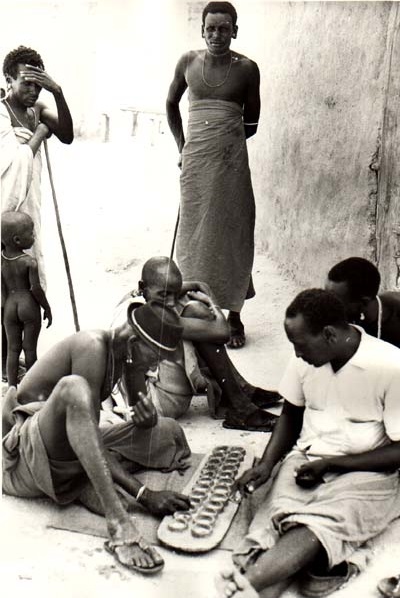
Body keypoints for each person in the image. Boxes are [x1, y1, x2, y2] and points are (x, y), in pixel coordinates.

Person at [215, 289, 400, 598]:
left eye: (300, 346)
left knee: (323, 523)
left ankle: (249, 583)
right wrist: (266, 465)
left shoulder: (390, 365)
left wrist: (334, 464)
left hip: (369, 474)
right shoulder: (305, 359)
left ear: (328, 335)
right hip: (306, 463)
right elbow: (290, 414)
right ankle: (255, 584)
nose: (297, 354)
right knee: (276, 519)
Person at [2, 301, 192, 574]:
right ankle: (118, 522)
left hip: (68, 444)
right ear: (135, 341)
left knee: (167, 431)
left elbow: (142, 421)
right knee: (74, 389)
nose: (157, 364)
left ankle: (88, 479)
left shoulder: (128, 355)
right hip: (25, 455)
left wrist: (147, 418)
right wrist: (143, 492)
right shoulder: (92, 347)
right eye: (156, 355)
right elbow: (86, 428)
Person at [166, 1, 260, 349]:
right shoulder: (188, 62)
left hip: (230, 162)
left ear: (234, 30)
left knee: (233, 231)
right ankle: (194, 307)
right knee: (195, 233)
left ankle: (234, 314)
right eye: (211, 28)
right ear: (202, 30)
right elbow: (170, 104)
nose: (216, 35)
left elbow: (251, 122)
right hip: (195, 161)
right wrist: (184, 146)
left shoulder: (248, 69)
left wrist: (224, 145)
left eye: (224, 28)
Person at [113, 256, 280, 432]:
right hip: (154, 402)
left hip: (147, 390)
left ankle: (237, 391)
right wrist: (212, 303)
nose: (170, 301)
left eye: (173, 293)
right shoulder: (149, 316)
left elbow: (195, 285)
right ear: (142, 287)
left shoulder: (137, 295)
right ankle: (239, 405)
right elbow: (223, 333)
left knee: (188, 309)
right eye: (164, 295)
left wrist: (198, 287)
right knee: (197, 312)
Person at [1, 45, 73, 380]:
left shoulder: (37, 109)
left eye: (38, 85)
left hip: (28, 212)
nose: (32, 91)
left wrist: (57, 92)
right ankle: (7, 362)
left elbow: (69, 136)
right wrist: (41, 134)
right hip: (4, 212)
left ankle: (19, 361)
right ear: (8, 80)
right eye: (25, 83)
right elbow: (13, 162)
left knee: (26, 283)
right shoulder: (1, 114)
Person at [2, 211, 52, 387]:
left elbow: (2, 289)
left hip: (9, 307)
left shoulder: (1, 260)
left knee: (12, 349)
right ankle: (31, 386)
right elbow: (35, 289)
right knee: (29, 349)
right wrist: (46, 307)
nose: (34, 235)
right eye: (31, 233)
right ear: (17, 240)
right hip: (28, 307)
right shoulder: (29, 262)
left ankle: (11, 388)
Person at [325, 256, 400, 347]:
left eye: (336, 301)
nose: (328, 304)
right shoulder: (334, 319)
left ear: (364, 302)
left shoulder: (395, 314)